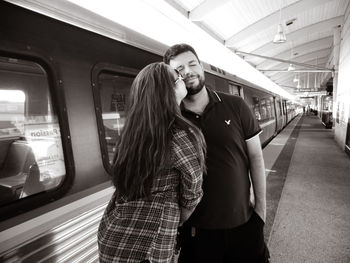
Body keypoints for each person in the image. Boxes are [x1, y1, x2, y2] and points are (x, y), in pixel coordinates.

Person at [164, 44, 270, 263]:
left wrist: (260, 211)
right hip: (197, 232)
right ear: (173, 77)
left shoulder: (236, 105)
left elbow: (256, 158)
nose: (188, 71)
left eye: (192, 64)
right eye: (179, 69)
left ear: (201, 66)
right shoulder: (171, 119)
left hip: (244, 224)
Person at [98, 62, 206, 263]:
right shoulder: (180, 135)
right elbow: (192, 196)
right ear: (170, 89)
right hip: (149, 244)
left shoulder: (130, 133)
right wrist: (175, 217)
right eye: (178, 77)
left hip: (113, 234)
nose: (183, 78)